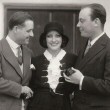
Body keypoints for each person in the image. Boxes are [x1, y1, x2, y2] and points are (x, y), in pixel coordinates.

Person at [64, 3, 110, 110]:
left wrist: (82, 80)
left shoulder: (108, 47)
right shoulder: (84, 46)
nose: (78, 25)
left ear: (96, 22)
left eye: (82, 20)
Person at [28, 22, 77, 110]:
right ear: (44, 39)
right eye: (49, 36)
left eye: (57, 36)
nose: (53, 40)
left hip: (64, 106)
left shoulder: (73, 60)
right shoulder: (35, 61)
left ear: (62, 39)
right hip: (38, 106)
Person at [0, 11, 34, 110]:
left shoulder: (29, 52)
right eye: (28, 31)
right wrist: (20, 89)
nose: (32, 34)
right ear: (16, 29)